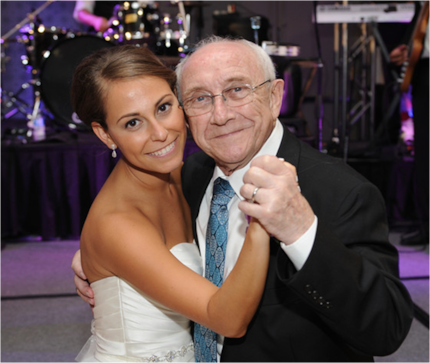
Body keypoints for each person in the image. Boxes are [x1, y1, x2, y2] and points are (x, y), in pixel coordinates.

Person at [73, 36, 414, 362]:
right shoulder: (189, 176)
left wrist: (301, 231)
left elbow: (386, 330)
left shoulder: (341, 191)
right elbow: (133, 235)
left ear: (275, 96)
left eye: (237, 90)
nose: (220, 115)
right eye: (200, 98)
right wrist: (98, 260)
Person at [70, 44, 270, 363]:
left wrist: (92, 259)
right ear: (105, 134)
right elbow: (228, 320)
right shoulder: (117, 224)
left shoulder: (183, 175)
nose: (161, 133)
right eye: (132, 123)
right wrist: (262, 220)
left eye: (163, 107)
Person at [390, 0, 430, 245]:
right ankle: (426, 225)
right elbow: (417, 36)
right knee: (424, 154)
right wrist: (404, 49)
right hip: (425, 75)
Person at [73, 0, 155, 33]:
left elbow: (149, 6)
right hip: (104, 38)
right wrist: (96, 21)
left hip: (138, 37)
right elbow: (81, 12)